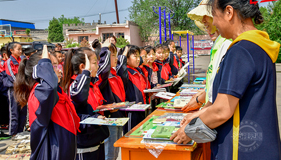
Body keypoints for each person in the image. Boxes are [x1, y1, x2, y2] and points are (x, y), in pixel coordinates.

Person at [171, 0, 281, 159]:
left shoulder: (240, 51)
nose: (214, 21)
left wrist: (189, 131)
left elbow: (222, 110)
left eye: (214, 15)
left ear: (229, 12)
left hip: (240, 151)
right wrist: (197, 115)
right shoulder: (258, 47)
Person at [14, 45, 80, 160]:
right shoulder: (38, 95)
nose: (59, 69)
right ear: (40, 71)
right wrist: (45, 62)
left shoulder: (57, 94)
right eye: (53, 66)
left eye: (56, 65)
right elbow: (48, 89)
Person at [181, 0, 232, 112]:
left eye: (207, 15)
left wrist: (201, 112)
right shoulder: (220, 43)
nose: (203, 21)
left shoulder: (227, 43)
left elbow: (223, 97)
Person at [63, 47, 109, 160]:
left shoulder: (90, 84)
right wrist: (86, 73)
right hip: (84, 143)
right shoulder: (75, 86)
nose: (97, 67)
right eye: (94, 63)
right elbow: (79, 98)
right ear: (82, 67)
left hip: (96, 139)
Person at [96, 39, 125, 160]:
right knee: (109, 151)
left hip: (118, 115)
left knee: (116, 148)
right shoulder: (101, 75)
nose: (116, 58)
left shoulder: (114, 74)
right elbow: (103, 70)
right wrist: (105, 50)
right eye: (112, 55)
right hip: (109, 117)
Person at [117, 45, 146, 132]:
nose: (138, 59)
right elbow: (121, 70)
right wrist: (123, 55)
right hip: (131, 111)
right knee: (131, 134)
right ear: (126, 58)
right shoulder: (126, 73)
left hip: (141, 108)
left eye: (138, 56)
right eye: (135, 56)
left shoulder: (138, 71)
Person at [3, 42, 27, 137]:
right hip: (14, 88)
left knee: (23, 110)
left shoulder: (22, 60)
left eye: (21, 49)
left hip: (23, 88)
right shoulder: (8, 62)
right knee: (14, 112)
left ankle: (21, 131)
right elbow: (11, 75)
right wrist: (19, 84)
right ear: (11, 50)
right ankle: (13, 133)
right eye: (18, 49)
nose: (20, 51)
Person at [0, 47, 10, 130]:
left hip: (3, 88)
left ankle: (1, 120)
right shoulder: (3, 64)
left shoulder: (4, 63)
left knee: (3, 105)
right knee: (4, 106)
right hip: (4, 88)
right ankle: (3, 123)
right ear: (4, 55)